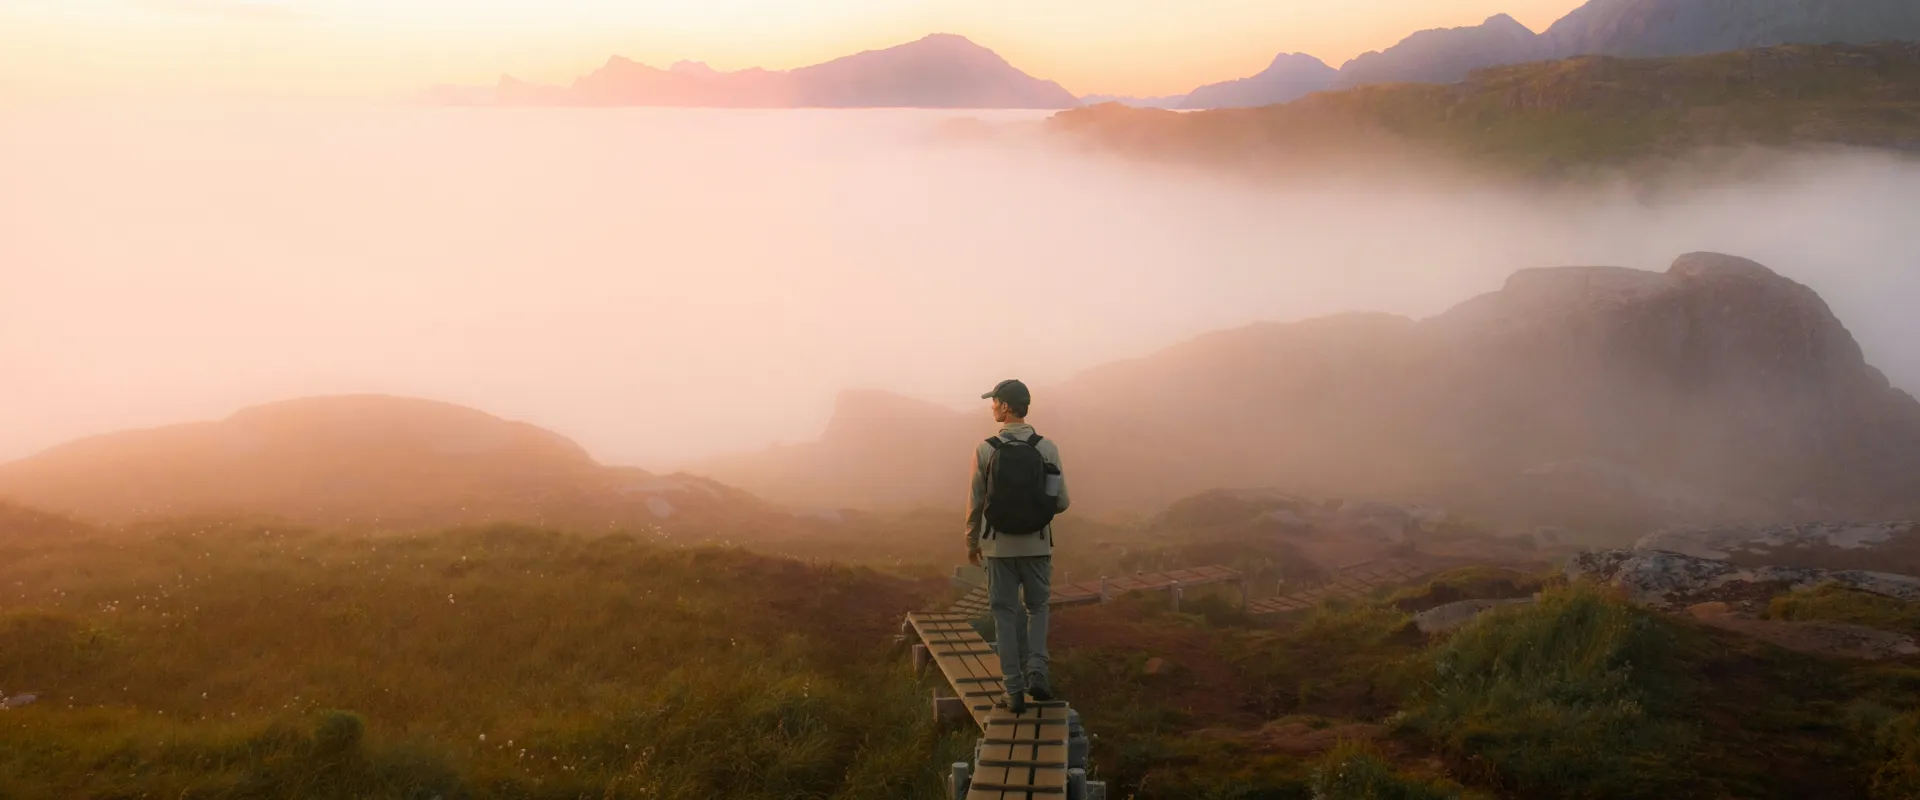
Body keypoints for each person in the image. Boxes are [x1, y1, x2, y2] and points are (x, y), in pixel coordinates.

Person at [966, 378, 1069, 714]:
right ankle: (1037, 671)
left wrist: (971, 541)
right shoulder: (1046, 447)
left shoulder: (986, 449)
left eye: (994, 401)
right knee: (1038, 609)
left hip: (998, 549)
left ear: (1006, 406)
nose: (992, 406)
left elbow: (976, 504)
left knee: (1005, 616)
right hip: (1037, 546)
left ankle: (1012, 692)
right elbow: (1062, 503)